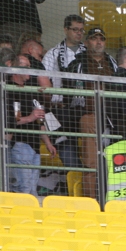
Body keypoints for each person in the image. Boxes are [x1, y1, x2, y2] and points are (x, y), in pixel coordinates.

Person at [65, 27, 121, 198]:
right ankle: (91, 200)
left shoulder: (112, 63)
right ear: (87, 41)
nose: (98, 42)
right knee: (92, 163)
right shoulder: (77, 63)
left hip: (112, 117)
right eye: (94, 38)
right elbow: (67, 93)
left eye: (102, 39)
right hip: (88, 116)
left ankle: (112, 198)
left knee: (114, 162)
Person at [5, 55, 57, 198]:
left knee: (32, 190)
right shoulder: (8, 91)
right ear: (15, 69)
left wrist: (48, 143)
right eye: (26, 66)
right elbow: (8, 121)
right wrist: (30, 117)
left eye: (30, 66)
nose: (30, 69)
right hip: (20, 145)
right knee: (23, 189)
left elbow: (40, 120)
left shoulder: (32, 90)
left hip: (35, 147)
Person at [41, 14, 87, 169]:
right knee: (66, 145)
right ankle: (75, 176)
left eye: (81, 30)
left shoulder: (89, 53)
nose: (79, 33)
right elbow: (43, 80)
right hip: (59, 109)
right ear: (65, 29)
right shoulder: (53, 54)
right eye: (75, 29)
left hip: (83, 109)